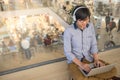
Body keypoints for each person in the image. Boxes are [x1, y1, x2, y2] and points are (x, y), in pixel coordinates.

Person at [63, 5, 117, 80]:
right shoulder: (68, 31)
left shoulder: (90, 26)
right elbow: (68, 53)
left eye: (86, 19)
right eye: (81, 21)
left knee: (112, 70)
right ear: (75, 19)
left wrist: (96, 60)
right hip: (75, 62)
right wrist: (81, 65)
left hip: (89, 58)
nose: (84, 23)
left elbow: (93, 45)